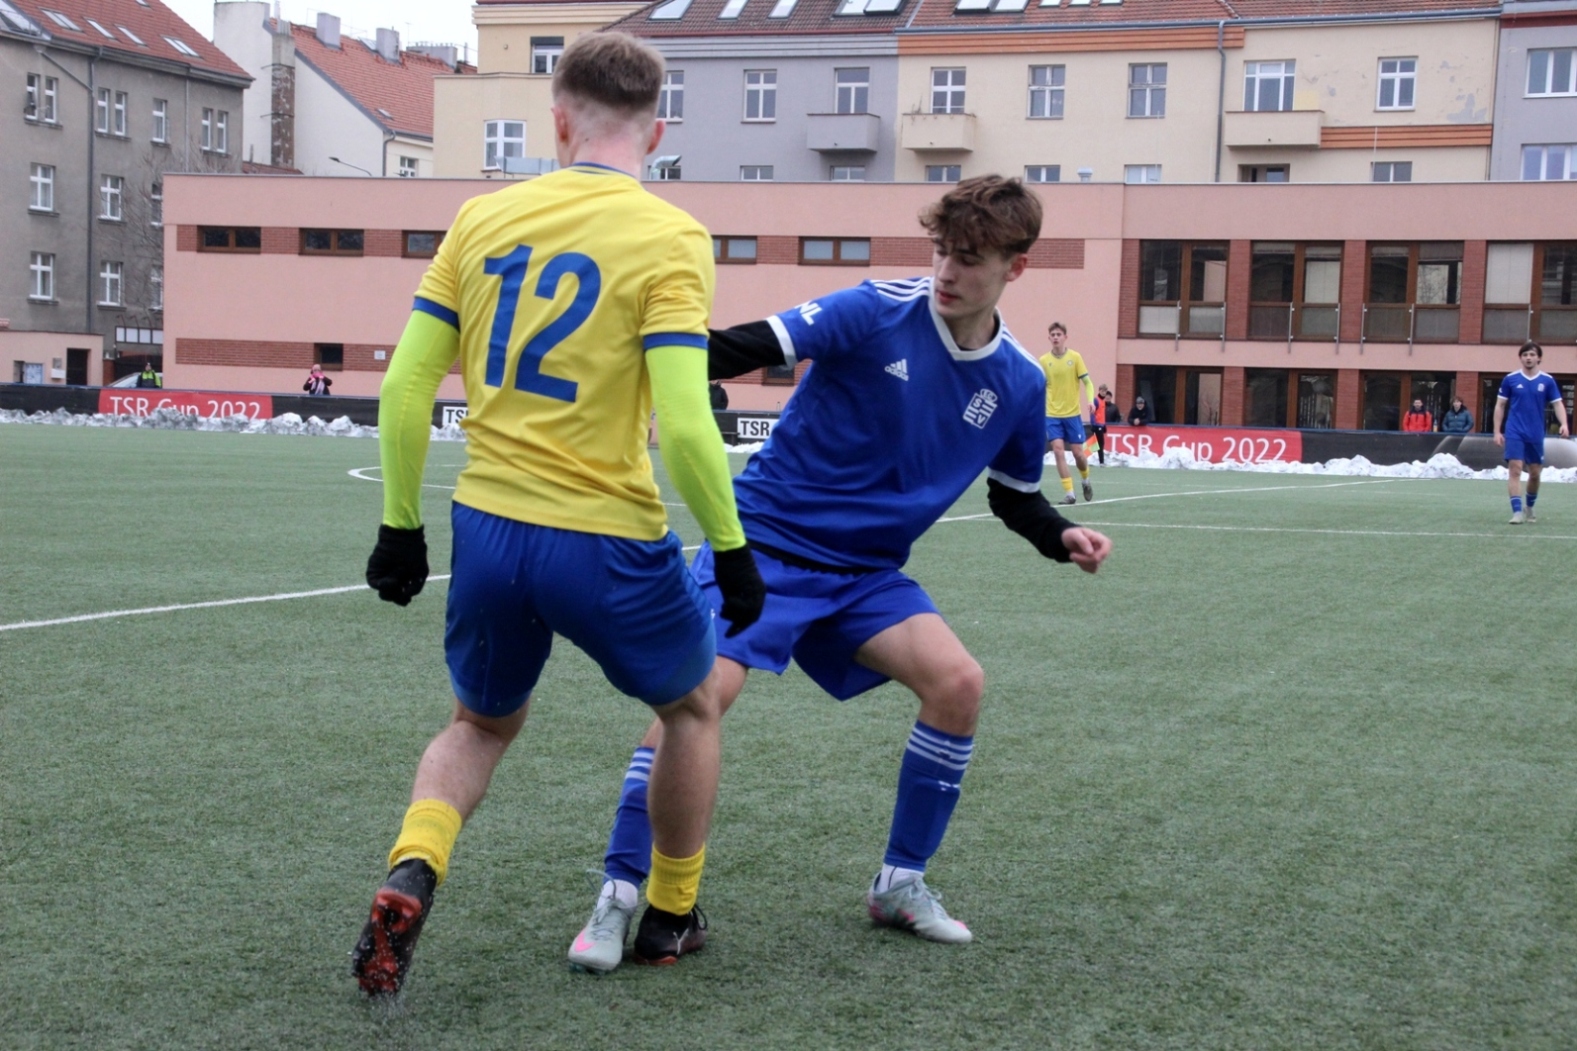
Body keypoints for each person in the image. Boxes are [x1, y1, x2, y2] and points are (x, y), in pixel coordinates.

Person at [565, 175, 1113, 974]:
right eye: (941, 250)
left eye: (968, 258)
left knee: (957, 683)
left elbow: (1015, 496)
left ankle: (899, 882)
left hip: (864, 575)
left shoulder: (1019, 381)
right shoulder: (873, 308)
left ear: (1015, 267)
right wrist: (625, 351)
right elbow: (736, 346)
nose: (946, 270)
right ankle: (620, 890)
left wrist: (1061, 534)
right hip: (761, 546)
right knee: (697, 700)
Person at [351, 32, 765, 997]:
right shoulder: (671, 236)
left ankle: (415, 865)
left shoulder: (480, 217)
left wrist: (400, 523)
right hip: (605, 532)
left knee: (478, 724)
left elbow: (406, 384)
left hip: (489, 527)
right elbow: (686, 423)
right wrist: (733, 548)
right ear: (656, 133)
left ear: (557, 121)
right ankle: (670, 912)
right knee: (691, 706)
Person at [1494, 339, 1570, 525]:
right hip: (1514, 431)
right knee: (1515, 469)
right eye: (1525, 354)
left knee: (1535, 473)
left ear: (1539, 358)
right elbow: (1500, 405)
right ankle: (1517, 512)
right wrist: (1497, 431)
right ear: (1520, 358)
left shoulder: (1547, 381)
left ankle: (1529, 506)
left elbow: (1558, 404)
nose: (1528, 358)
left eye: (1532, 354)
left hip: (1535, 432)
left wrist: (1564, 423)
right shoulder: (1510, 379)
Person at [1040, 322, 1095, 503]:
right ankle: (1070, 493)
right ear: (1049, 338)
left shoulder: (1075, 357)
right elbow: (1038, 386)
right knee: (1058, 451)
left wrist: (1090, 400)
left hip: (1072, 414)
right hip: (1052, 414)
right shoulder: (1044, 361)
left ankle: (1085, 480)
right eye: (1053, 335)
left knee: (1078, 453)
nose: (1056, 337)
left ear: (1065, 337)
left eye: (1059, 334)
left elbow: (1087, 383)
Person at [1088, 383, 1115, 465]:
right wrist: (1093, 424)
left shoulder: (1103, 401)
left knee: (1098, 443)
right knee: (1100, 443)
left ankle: (1098, 460)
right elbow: (1092, 413)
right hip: (1097, 425)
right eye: (1102, 391)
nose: (1104, 393)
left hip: (1101, 425)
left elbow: (1102, 415)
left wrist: (1104, 425)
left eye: (1105, 391)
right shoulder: (1096, 400)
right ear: (1099, 391)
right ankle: (1101, 461)